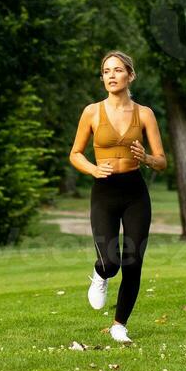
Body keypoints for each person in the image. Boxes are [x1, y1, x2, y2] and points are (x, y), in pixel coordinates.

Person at [67, 50, 167, 344]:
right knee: (111, 262)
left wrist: (146, 158)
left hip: (135, 191)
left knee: (133, 261)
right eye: (106, 71)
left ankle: (119, 325)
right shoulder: (92, 112)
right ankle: (100, 275)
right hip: (104, 190)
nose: (111, 76)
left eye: (118, 70)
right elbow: (75, 153)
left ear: (130, 75)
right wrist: (93, 169)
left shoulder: (144, 113)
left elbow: (162, 162)